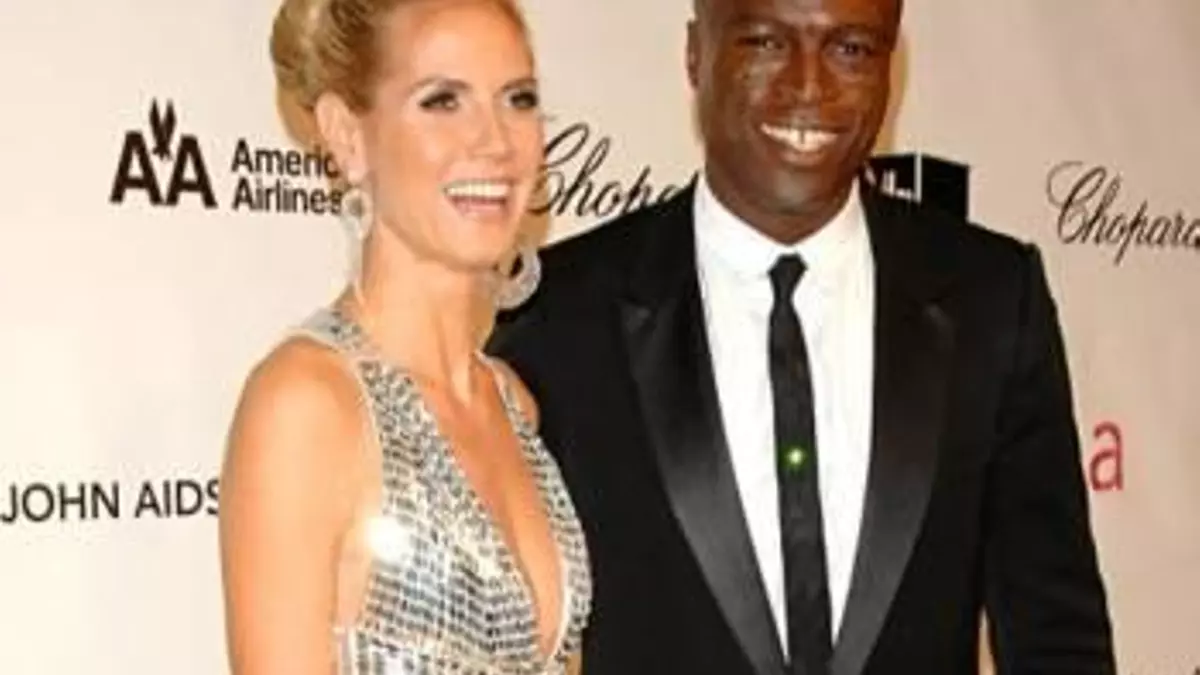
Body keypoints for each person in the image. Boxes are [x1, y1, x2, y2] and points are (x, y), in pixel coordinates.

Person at [488, 0, 1115, 673]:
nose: (809, 87)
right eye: (765, 43)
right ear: (696, 54)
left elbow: (1058, 639)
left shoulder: (992, 299)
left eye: (851, 49)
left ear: (892, 66)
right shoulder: (558, 317)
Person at [218, 0, 591, 673]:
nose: (495, 141)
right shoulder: (309, 405)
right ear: (348, 136)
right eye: (443, 100)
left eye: (518, 98)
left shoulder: (512, 402)